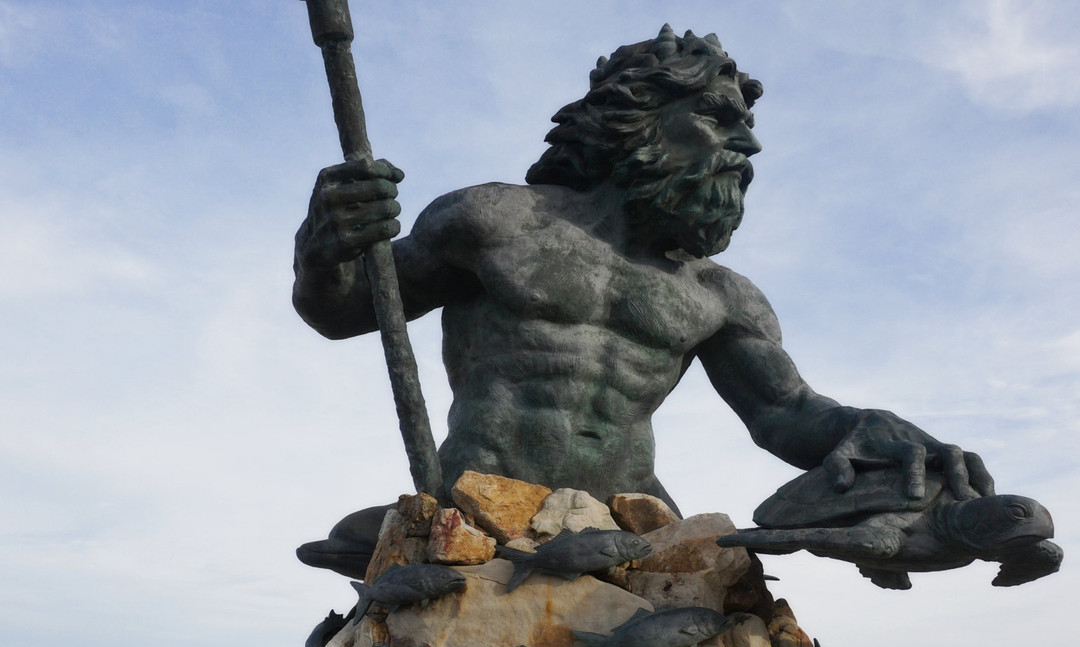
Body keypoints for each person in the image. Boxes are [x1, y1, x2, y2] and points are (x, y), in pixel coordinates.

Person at [292, 26, 993, 572]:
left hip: (631, 515)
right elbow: (345, 312)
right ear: (640, 117)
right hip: (481, 508)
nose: (748, 144)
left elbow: (786, 414)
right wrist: (322, 252)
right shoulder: (495, 221)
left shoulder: (720, 294)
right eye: (718, 116)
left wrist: (871, 431)